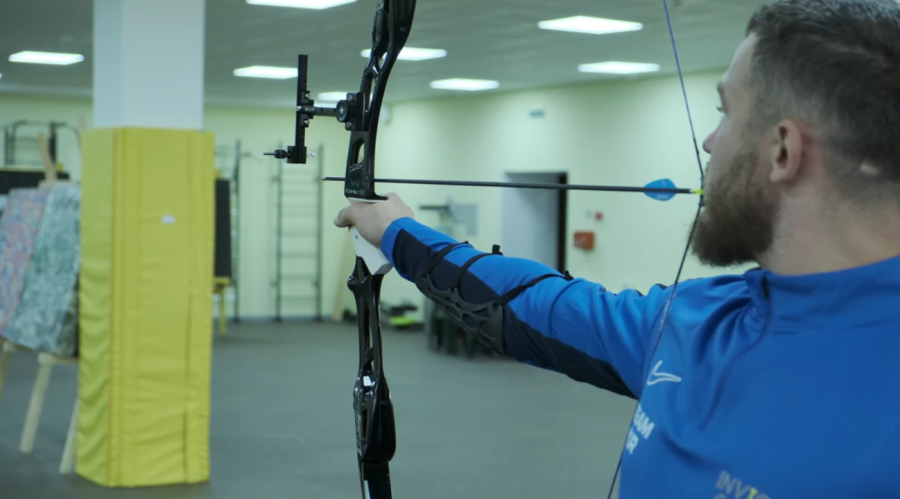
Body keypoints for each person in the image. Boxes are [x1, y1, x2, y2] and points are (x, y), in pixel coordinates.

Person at [335, 0, 900, 496]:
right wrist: (398, 232)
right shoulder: (698, 318)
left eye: (726, 112)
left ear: (783, 151)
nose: (710, 142)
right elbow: (529, 304)